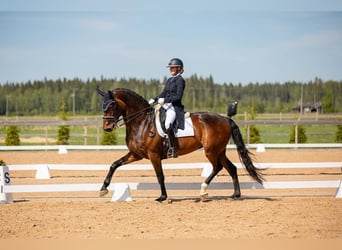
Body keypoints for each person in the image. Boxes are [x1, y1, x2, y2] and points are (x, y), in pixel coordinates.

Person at [149, 58, 186, 158]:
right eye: (170, 68)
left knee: (168, 123)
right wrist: (155, 99)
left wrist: (165, 100)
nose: (171, 69)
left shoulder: (180, 80)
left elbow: (178, 96)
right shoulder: (170, 80)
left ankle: (173, 148)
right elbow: (163, 93)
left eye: (172, 68)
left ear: (179, 68)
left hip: (174, 106)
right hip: (166, 105)